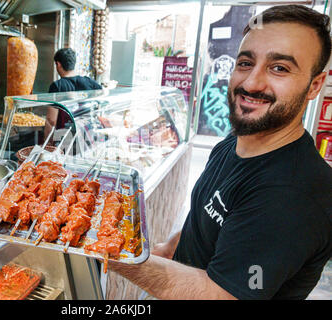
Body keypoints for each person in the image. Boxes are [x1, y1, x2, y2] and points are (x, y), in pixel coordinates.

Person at [107, 5, 332, 300]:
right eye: (245, 62)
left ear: (315, 85)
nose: (251, 83)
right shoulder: (236, 141)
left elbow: (220, 295)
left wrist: (109, 252)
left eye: (279, 68)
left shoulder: (297, 195)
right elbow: (206, 219)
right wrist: (168, 249)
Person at [44, 48, 102, 140]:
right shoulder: (90, 82)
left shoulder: (57, 86)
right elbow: (98, 106)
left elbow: (51, 121)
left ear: (58, 64)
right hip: (87, 135)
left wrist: (47, 145)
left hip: (66, 138)